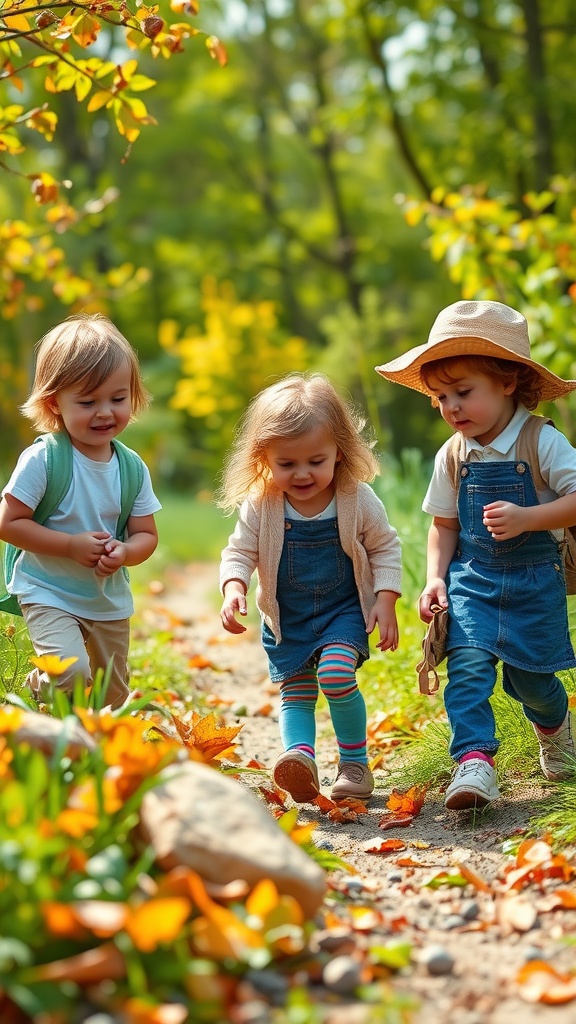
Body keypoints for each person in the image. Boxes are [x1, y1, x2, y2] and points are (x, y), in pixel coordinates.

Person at [376, 299, 576, 810]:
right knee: (466, 665)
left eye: (463, 392)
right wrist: (435, 579)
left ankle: (554, 727)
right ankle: (474, 762)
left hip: (535, 578)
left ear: (508, 381)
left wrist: (530, 517)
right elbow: (443, 525)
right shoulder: (454, 453)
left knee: (532, 680)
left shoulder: (541, 442)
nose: (452, 408)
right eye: (441, 397)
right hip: (473, 579)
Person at [217, 372, 402, 803]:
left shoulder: (355, 498)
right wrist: (233, 588)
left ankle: (355, 763)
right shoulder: (263, 504)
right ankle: (298, 758)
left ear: (339, 450)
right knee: (297, 691)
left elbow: (385, 548)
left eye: (314, 461)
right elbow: (239, 552)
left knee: (336, 675)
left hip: (344, 610)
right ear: (264, 458)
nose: (302, 474)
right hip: (289, 617)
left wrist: (387, 600)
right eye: (287, 464)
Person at [0, 313, 162, 709]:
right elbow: (8, 523)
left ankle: (99, 755)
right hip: (48, 589)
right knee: (70, 672)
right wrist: (70, 546)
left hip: (106, 598)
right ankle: (54, 710)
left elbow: (146, 534)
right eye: (88, 402)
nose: (105, 412)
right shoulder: (44, 460)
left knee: (112, 696)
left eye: (118, 399)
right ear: (55, 402)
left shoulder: (131, 468)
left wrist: (125, 552)